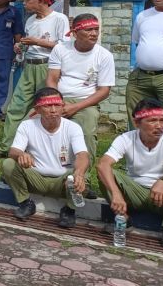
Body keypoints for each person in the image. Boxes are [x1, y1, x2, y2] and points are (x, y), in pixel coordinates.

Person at [0, 0, 70, 158]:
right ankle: (5, 147)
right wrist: (20, 46)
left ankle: (35, 149)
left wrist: (37, 42)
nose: (24, 3)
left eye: (27, 0)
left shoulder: (59, 19)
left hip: (48, 68)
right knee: (16, 106)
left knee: (43, 109)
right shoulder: (31, 21)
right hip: (28, 66)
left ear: (41, 1)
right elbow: (29, 44)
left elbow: (65, 47)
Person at [46, 13, 115, 198]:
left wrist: (75, 107)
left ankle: (85, 180)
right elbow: (52, 80)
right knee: (32, 122)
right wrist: (57, 103)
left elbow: (104, 91)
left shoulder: (104, 56)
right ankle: (32, 172)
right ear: (75, 33)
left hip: (86, 103)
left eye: (96, 30)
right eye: (89, 29)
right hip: (58, 98)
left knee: (86, 132)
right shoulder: (60, 49)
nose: (94, 33)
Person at [2, 88, 89, 228]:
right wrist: (21, 155)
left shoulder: (73, 128)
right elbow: (13, 151)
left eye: (57, 105)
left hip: (63, 182)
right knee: (9, 164)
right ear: (37, 109)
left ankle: (69, 210)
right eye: (47, 106)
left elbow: (82, 155)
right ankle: (25, 203)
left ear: (63, 106)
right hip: (36, 177)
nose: (53, 110)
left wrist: (78, 173)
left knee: (84, 175)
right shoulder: (27, 125)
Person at [97, 99, 163, 248]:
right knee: (106, 172)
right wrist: (116, 193)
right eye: (152, 121)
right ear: (137, 123)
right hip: (136, 193)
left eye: (162, 120)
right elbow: (103, 163)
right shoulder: (126, 138)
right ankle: (123, 220)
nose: (159, 126)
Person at [126, 0, 163, 130]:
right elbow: (137, 41)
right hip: (141, 77)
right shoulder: (143, 16)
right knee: (137, 118)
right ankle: (137, 152)